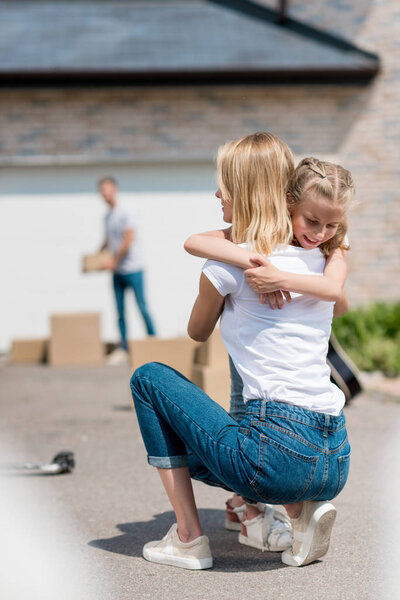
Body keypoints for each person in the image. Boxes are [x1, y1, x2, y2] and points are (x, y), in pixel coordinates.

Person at [130, 132, 353, 570]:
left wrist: (228, 271)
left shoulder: (227, 263)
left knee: (149, 380)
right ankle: (290, 510)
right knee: (246, 364)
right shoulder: (323, 254)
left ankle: (189, 538)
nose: (217, 193)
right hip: (335, 459)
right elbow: (337, 297)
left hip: (278, 455)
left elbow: (197, 331)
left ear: (244, 193)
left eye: (224, 186)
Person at [184, 155, 351, 551]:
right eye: (312, 221)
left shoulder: (332, 246)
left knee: (237, 416)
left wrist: (279, 277)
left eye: (331, 225)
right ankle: (245, 505)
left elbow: (337, 296)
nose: (321, 232)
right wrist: (251, 259)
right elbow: (192, 241)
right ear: (288, 202)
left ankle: (257, 505)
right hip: (329, 441)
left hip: (281, 421)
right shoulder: (268, 248)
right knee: (246, 386)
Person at [98, 177, 156, 364]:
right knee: (120, 311)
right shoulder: (108, 216)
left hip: (133, 268)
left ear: (115, 189)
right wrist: (96, 257)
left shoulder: (126, 210)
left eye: (108, 189)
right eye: (102, 190)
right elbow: (108, 241)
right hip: (117, 272)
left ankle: (153, 341)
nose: (105, 193)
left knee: (142, 307)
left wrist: (114, 261)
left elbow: (128, 238)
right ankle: (124, 347)